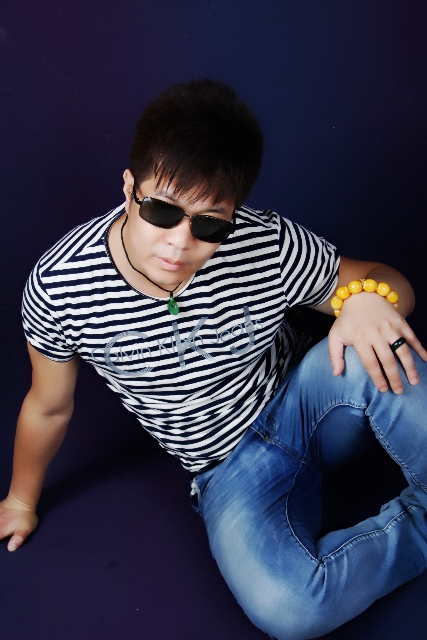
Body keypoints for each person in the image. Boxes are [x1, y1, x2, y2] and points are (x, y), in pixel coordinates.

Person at [1, 78, 426, 640]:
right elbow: (48, 407)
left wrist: (368, 299)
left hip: (311, 403)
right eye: (161, 211)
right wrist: (21, 499)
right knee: (291, 608)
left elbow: (384, 281)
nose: (179, 243)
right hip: (226, 469)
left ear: (232, 214)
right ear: (129, 188)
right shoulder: (61, 285)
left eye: (208, 224)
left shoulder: (264, 241)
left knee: (384, 338)